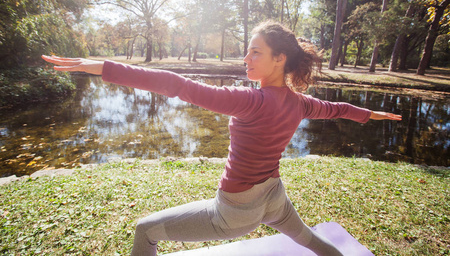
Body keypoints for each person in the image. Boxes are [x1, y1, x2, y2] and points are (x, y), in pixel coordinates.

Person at [42, 21, 401, 256]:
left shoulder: (249, 101)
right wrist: (370, 114)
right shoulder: (300, 103)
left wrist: (103, 67)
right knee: (309, 240)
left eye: (255, 52)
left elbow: (176, 85)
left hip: (235, 211)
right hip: (274, 199)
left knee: (144, 231)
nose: (246, 58)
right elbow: (336, 108)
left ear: (280, 59)